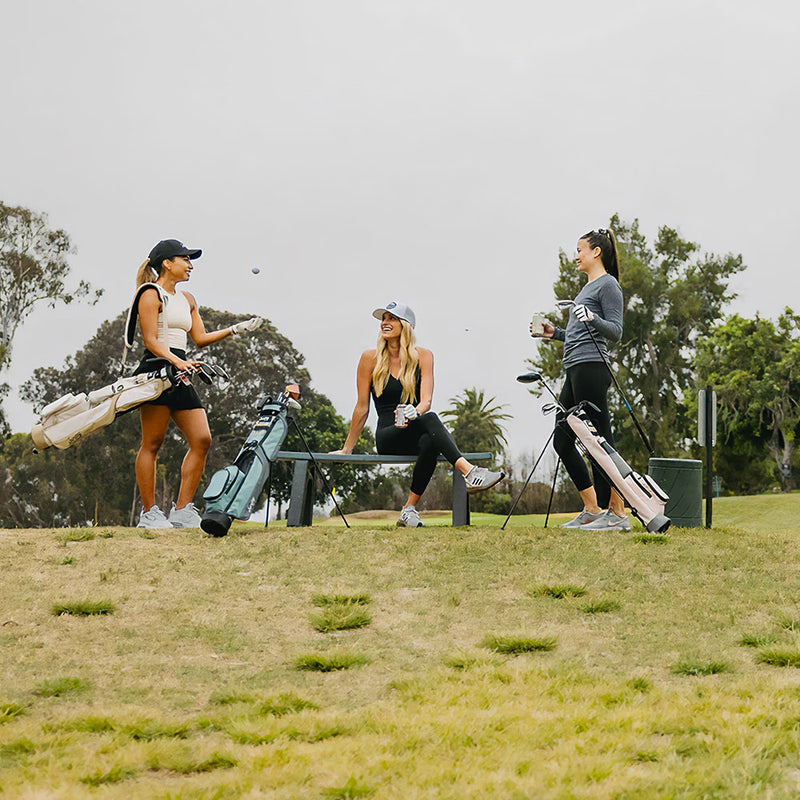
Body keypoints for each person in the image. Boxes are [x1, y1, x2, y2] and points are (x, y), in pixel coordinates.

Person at [333, 301, 504, 527]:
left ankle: (408, 509)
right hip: (388, 436)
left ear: (406, 325)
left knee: (430, 438)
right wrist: (347, 449)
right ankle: (470, 473)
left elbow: (426, 402)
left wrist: (415, 412)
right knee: (431, 422)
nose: (385, 322)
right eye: (384, 318)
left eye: (392, 318)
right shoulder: (369, 358)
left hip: (415, 431)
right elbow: (362, 407)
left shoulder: (423, 356)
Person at [131, 239, 263, 529]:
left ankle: (181, 511)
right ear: (167, 263)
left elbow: (199, 339)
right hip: (156, 370)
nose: (190, 265)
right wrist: (176, 362)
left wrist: (235, 329)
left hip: (180, 371)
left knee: (202, 439)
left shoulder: (187, 298)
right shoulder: (150, 294)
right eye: (185, 259)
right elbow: (151, 341)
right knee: (152, 443)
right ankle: (150, 513)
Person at [534, 228, 629, 531]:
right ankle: (591, 508)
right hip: (574, 367)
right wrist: (554, 334)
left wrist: (593, 317)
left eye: (580, 249)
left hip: (592, 368)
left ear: (596, 252)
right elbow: (578, 334)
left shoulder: (608, 285)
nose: (576, 256)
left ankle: (618, 513)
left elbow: (615, 331)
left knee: (601, 440)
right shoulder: (585, 291)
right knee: (562, 439)